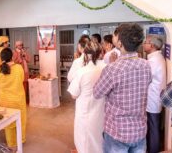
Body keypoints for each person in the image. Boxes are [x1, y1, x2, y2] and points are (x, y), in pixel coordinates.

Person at [93, 23, 152, 152]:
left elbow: (97, 93)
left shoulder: (112, 69)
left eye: (114, 36)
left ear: (119, 43)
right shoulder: (146, 65)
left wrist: (112, 67)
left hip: (117, 132)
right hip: (140, 130)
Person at [67, 41, 106, 153]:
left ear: (86, 54)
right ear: (100, 54)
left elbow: (73, 95)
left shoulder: (82, 71)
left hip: (85, 112)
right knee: (98, 138)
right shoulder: (106, 68)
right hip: (100, 111)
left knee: (84, 140)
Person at [0, 48, 26, 150]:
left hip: (5, 100)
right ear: (12, 56)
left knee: (8, 122)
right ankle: (20, 140)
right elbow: (22, 79)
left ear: (1, 58)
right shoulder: (18, 68)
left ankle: (11, 143)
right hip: (18, 99)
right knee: (20, 120)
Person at [142, 34, 166, 153]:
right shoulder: (155, 58)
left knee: (153, 128)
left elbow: (144, 79)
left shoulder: (154, 60)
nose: (143, 44)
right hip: (154, 98)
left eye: (145, 42)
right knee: (153, 127)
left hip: (153, 99)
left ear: (152, 45)